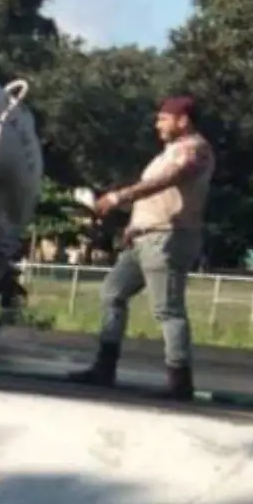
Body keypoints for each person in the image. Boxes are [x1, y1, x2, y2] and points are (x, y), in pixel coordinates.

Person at [68, 95, 214, 401]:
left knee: (167, 309)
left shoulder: (194, 149)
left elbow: (168, 180)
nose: (157, 123)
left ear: (183, 120)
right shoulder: (167, 153)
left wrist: (120, 197)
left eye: (163, 118)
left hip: (168, 237)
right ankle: (103, 368)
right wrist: (132, 227)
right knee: (112, 292)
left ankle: (179, 381)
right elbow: (157, 195)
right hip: (144, 238)